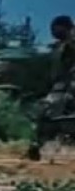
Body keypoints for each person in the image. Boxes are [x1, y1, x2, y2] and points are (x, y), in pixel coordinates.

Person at [27, 15, 75, 161]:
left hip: (69, 86)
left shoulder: (70, 43)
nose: (53, 32)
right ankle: (38, 145)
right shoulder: (59, 48)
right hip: (60, 87)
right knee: (47, 112)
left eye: (56, 29)